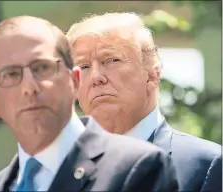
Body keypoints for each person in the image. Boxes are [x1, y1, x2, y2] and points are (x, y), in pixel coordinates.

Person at [0, 15, 178, 192]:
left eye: (42, 68)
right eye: (10, 74)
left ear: (73, 81)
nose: (29, 87)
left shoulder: (138, 167)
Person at [66, 12, 221, 192]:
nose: (96, 77)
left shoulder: (207, 165)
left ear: (152, 75)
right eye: (84, 66)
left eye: (111, 60)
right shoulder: (60, 168)